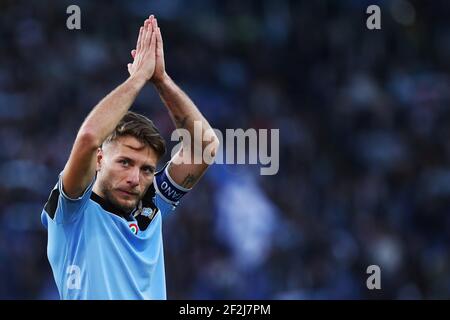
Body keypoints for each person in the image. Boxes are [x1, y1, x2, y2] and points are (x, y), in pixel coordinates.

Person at [40, 14, 219, 300]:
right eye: (125, 162)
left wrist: (160, 80)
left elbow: (205, 146)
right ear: (99, 160)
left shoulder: (152, 203)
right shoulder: (71, 211)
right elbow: (88, 139)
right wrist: (138, 79)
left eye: (147, 169)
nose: (135, 178)